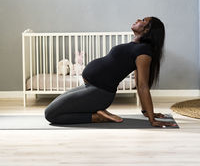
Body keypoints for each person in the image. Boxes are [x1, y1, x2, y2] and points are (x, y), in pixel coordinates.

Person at [44, 17, 177, 128]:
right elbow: (138, 81)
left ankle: (98, 117)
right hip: (90, 87)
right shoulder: (135, 47)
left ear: (147, 29)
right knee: (53, 109)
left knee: (50, 114)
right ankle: (97, 112)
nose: (137, 19)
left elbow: (142, 85)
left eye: (143, 20)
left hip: (100, 93)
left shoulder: (144, 53)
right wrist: (146, 112)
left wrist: (151, 117)